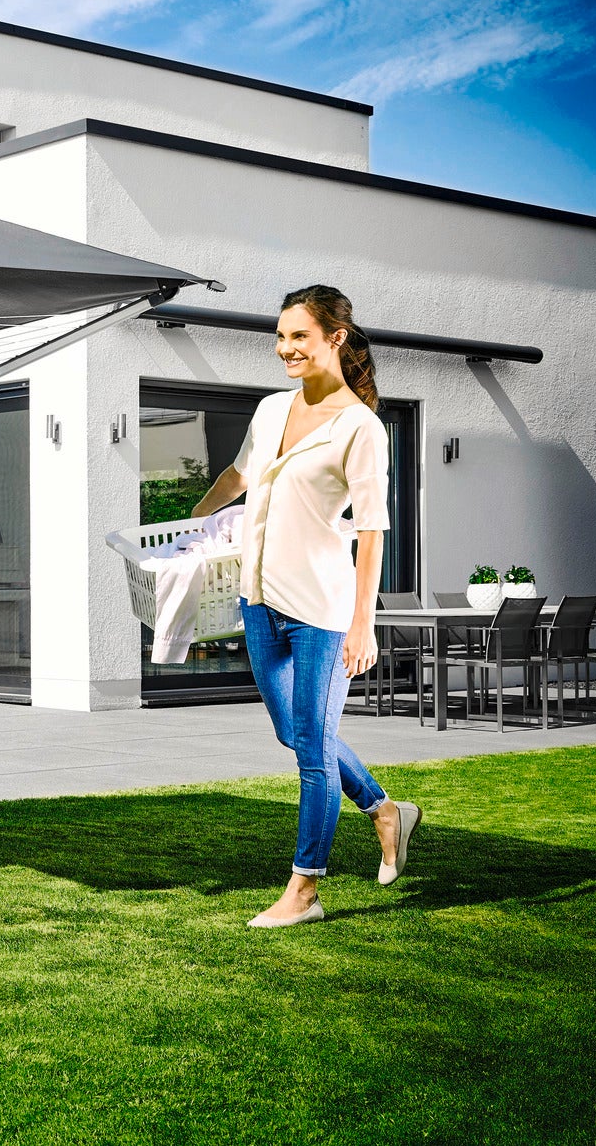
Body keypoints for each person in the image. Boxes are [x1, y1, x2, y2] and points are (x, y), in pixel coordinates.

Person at [189, 285, 422, 927]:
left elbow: (372, 529)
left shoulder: (360, 427)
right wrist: (189, 524)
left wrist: (362, 623)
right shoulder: (270, 411)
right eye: (281, 336)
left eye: (299, 337)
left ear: (335, 340)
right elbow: (239, 477)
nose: (286, 349)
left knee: (313, 752)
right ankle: (383, 810)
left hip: (322, 607)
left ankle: (305, 889)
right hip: (259, 598)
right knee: (294, 732)